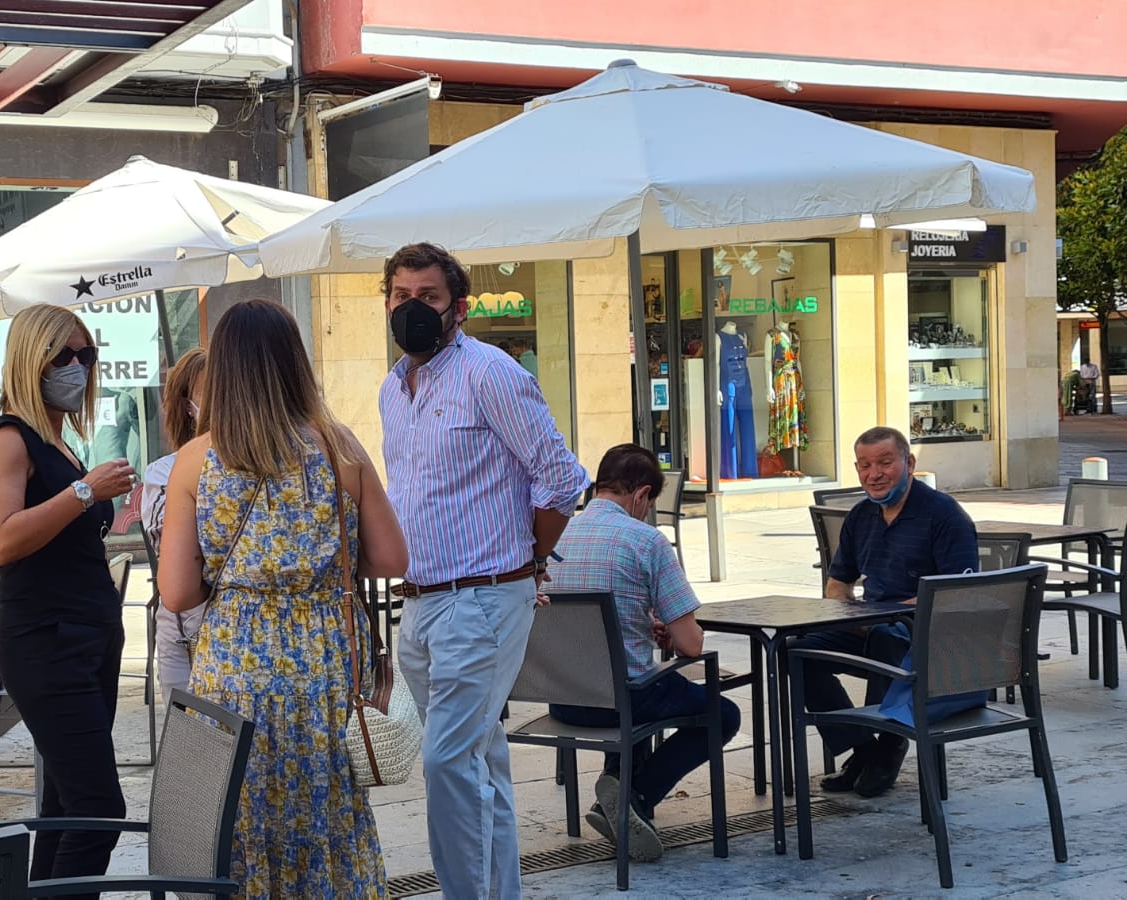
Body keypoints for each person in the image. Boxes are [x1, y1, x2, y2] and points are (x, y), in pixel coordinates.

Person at [158, 299, 408, 898]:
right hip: (324, 661)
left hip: (234, 667)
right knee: (327, 811)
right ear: (296, 363)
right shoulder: (338, 447)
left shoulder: (195, 460)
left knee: (241, 813)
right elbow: (393, 559)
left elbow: (176, 591)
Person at [379, 242, 587, 898]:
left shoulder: (490, 373)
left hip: (483, 595)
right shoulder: (393, 386)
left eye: (429, 298)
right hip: (420, 601)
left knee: (446, 760)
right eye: (401, 297)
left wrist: (529, 560)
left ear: (458, 309)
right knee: (478, 762)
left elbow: (560, 479)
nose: (413, 309)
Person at [0, 304, 137, 893]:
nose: (76, 367)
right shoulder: (8, 440)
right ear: (29, 359)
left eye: (85, 355)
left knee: (68, 806)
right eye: (62, 355)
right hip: (47, 640)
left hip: (85, 637)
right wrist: (87, 492)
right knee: (98, 810)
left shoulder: (57, 442)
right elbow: (2, 540)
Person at [545, 444, 741, 862]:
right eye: (648, 504)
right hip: (621, 701)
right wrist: (667, 633)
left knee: (640, 687)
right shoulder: (646, 541)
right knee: (722, 714)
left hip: (563, 699)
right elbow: (690, 645)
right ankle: (635, 797)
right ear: (642, 495)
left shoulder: (553, 536)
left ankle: (619, 789)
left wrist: (639, 626)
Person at [791, 426, 977, 799]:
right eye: (864, 466)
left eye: (884, 463)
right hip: (869, 623)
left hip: (925, 637)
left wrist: (881, 616)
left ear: (908, 463)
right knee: (795, 649)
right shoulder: (861, 516)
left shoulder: (944, 515)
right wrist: (848, 613)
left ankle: (891, 744)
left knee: (887, 636)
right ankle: (863, 747)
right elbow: (837, 582)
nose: (873, 474)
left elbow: (955, 596)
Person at [140, 347, 207, 702]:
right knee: (184, 739)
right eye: (207, 393)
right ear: (186, 407)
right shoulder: (163, 471)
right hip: (178, 623)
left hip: (224, 620)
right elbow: (165, 545)